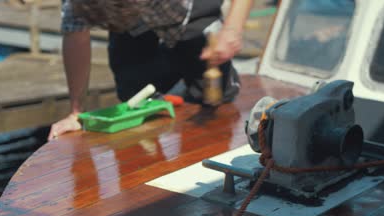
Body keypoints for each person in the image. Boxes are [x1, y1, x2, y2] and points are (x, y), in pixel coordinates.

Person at [48, 0, 254, 140]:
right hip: (132, 28)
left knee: (214, 96)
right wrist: (76, 113)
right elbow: (76, 36)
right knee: (133, 93)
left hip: (189, 14)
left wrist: (232, 29)